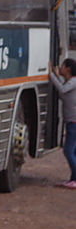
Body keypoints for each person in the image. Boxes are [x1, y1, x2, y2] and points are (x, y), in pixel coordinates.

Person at [50, 57, 76, 189]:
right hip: (71, 121)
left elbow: (62, 90)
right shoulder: (70, 82)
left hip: (73, 122)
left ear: (68, 69)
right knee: (73, 151)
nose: (60, 68)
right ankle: (73, 179)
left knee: (68, 151)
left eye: (62, 66)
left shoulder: (73, 82)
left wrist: (51, 75)